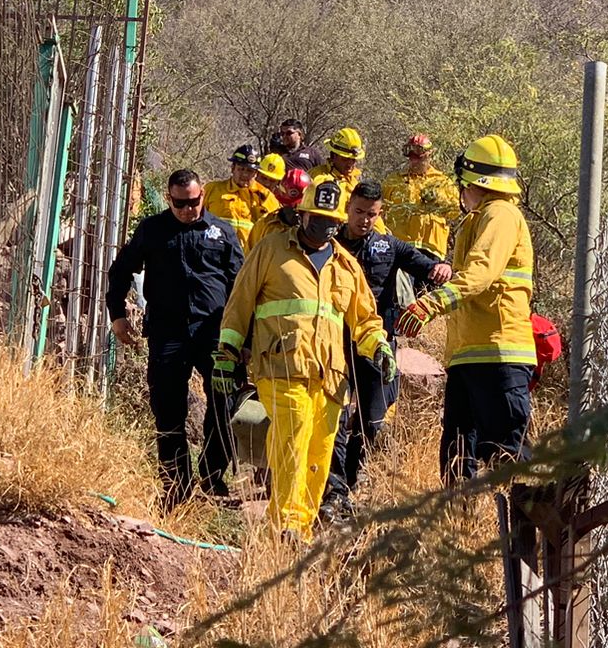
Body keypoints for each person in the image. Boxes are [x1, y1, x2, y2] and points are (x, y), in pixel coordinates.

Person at [213, 179, 396, 540]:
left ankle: (304, 530)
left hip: (329, 376)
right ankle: (285, 526)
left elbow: (365, 319)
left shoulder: (345, 266)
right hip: (281, 367)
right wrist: (227, 353)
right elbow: (240, 304)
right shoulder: (271, 250)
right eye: (317, 218)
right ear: (302, 213)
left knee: (320, 452)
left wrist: (378, 346)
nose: (324, 226)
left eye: (331, 220)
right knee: (291, 439)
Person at [395, 135, 536, 482]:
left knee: (506, 456)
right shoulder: (478, 219)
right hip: (470, 354)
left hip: (497, 353)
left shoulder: (500, 215)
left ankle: (533, 531)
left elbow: (480, 273)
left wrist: (432, 302)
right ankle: (458, 526)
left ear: (470, 181)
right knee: (459, 455)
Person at [107, 169, 242, 508]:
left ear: (203, 197)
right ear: (170, 199)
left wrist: (245, 338)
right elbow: (121, 269)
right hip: (168, 333)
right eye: (179, 204)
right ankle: (176, 486)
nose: (187, 210)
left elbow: (242, 287)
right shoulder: (153, 230)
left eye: (193, 202)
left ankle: (212, 478)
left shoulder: (222, 233)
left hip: (215, 335)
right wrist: (118, 315)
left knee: (226, 405)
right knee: (168, 411)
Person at [321, 179, 451, 519]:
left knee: (372, 418)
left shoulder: (388, 246)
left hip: (376, 343)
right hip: (334, 339)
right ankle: (332, 488)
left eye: (372, 214)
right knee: (332, 413)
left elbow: (426, 265)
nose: (364, 219)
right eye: (360, 211)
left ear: (381, 214)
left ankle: (349, 480)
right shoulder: (328, 241)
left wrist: (442, 267)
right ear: (348, 207)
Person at [382, 133, 458, 257]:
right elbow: (380, 209)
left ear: (429, 155)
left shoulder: (442, 182)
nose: (414, 161)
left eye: (419, 157)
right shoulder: (394, 181)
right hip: (401, 247)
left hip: (432, 248)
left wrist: (438, 201)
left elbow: (455, 211)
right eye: (411, 157)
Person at [310, 127, 388, 233]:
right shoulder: (318, 178)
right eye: (345, 159)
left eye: (353, 160)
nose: (350, 164)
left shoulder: (354, 182)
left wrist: (382, 235)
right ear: (333, 156)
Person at [202, 144, 280, 249]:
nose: (245, 174)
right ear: (232, 168)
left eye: (249, 171)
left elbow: (277, 230)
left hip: (248, 260)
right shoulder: (212, 190)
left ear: (256, 173)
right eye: (241, 169)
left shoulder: (266, 197)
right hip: (215, 255)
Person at [247, 165, 310, 251]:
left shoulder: (313, 230)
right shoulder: (266, 223)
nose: (295, 211)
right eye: (290, 206)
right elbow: (249, 255)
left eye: (299, 208)